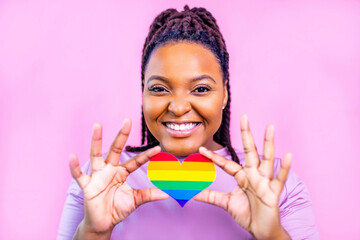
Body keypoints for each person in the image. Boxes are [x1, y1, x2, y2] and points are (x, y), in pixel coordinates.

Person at [58, 5, 319, 240]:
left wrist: (271, 234)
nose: (179, 107)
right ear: (143, 92)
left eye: (201, 89)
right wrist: (93, 232)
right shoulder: (99, 181)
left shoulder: (275, 185)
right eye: (159, 89)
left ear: (225, 92)